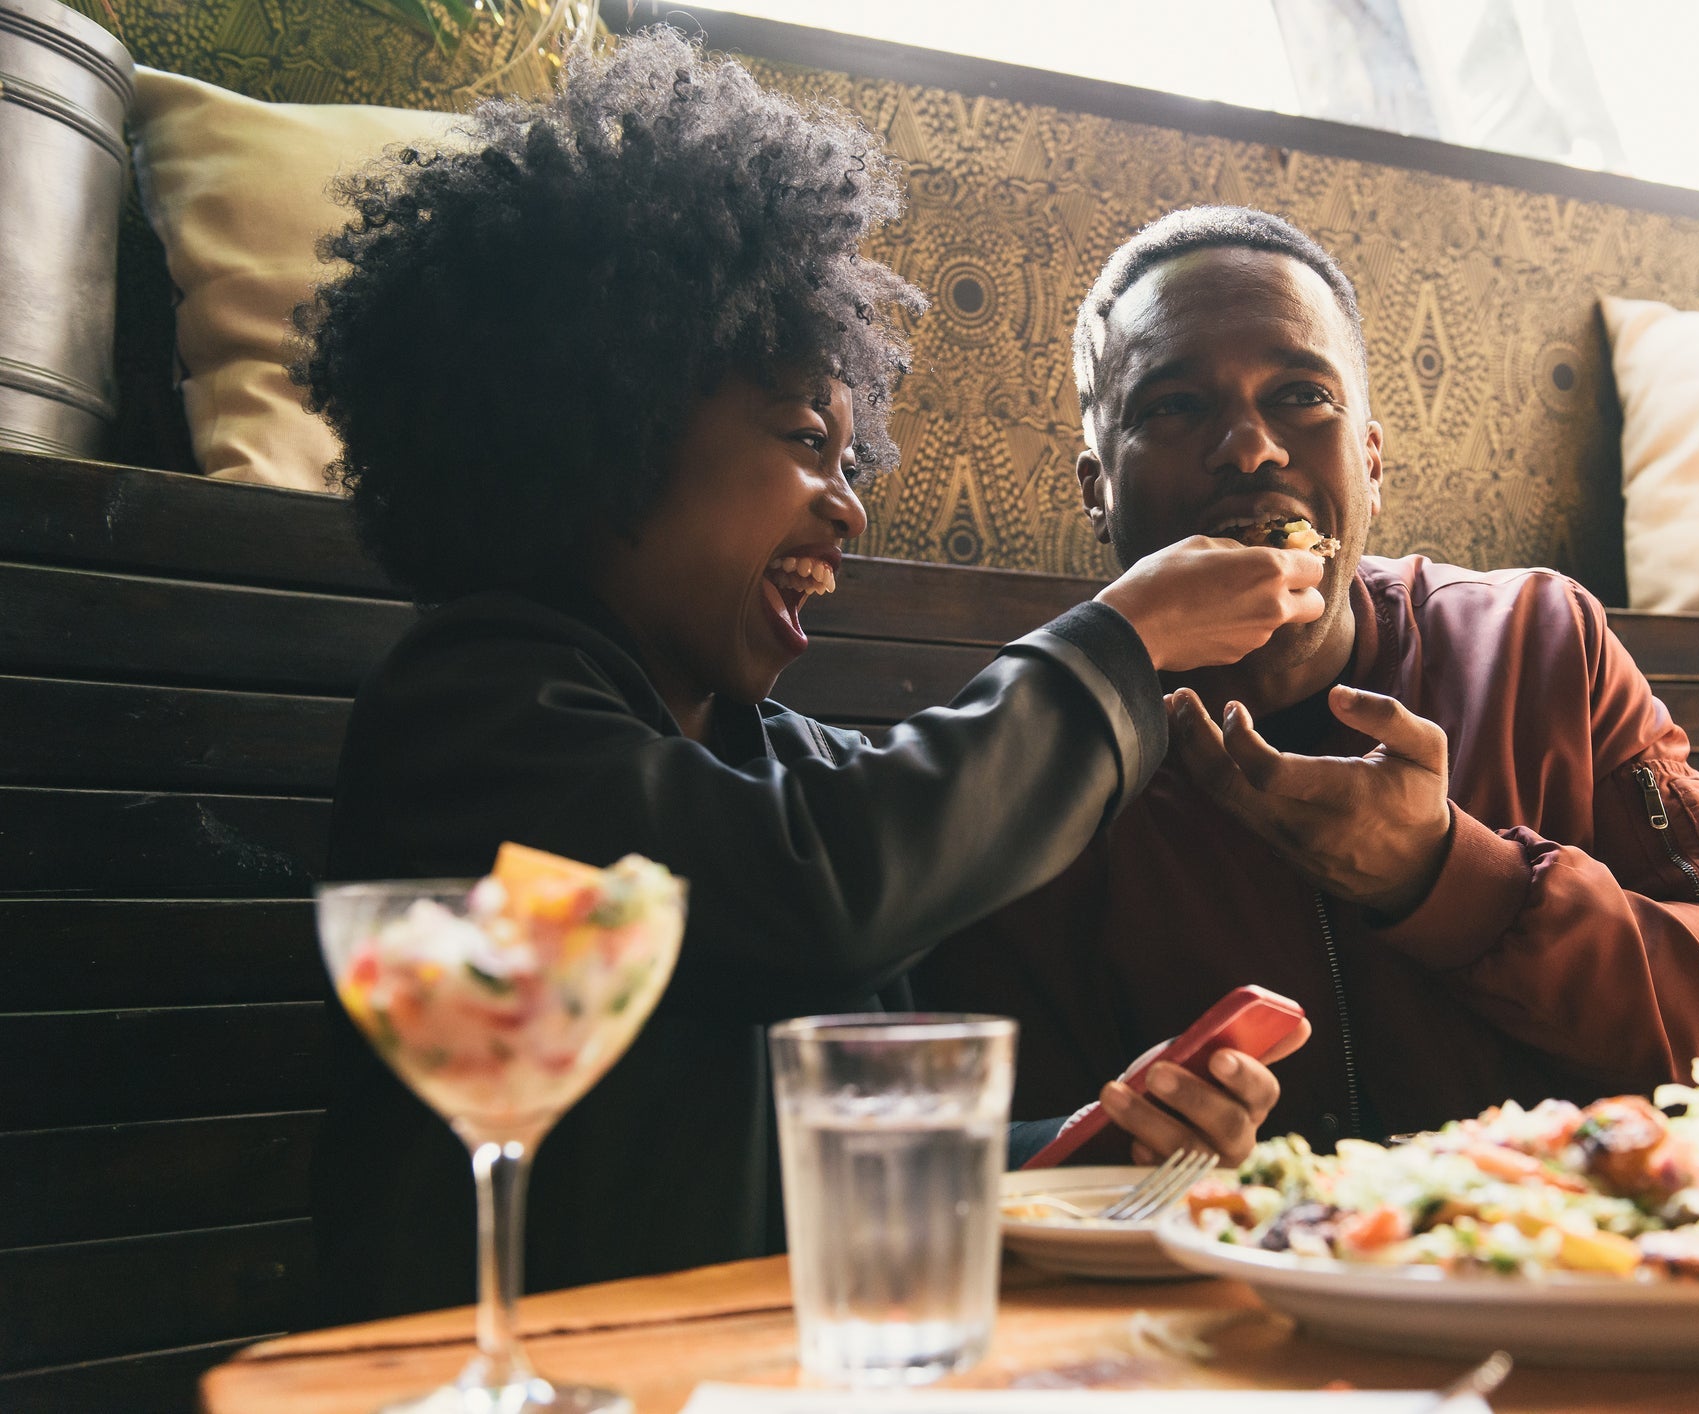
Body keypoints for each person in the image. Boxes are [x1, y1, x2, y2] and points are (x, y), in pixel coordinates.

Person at [299, 41, 1319, 1322]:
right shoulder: (476, 712)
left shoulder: (776, 757)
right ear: (606, 425)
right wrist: (1122, 637)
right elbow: (824, 887)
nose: (846, 505)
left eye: (853, 457)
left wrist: (1112, 1143)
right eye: (803, 440)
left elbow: (850, 1170)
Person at [916, 207, 1699, 1149]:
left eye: (1303, 397)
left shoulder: (1540, 643)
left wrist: (1445, 876)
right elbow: (964, 1136)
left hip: (1547, 1259)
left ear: (1373, 464)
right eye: (1174, 407)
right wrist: (1127, 1136)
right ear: (1097, 490)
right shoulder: (1026, 746)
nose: (1250, 448)